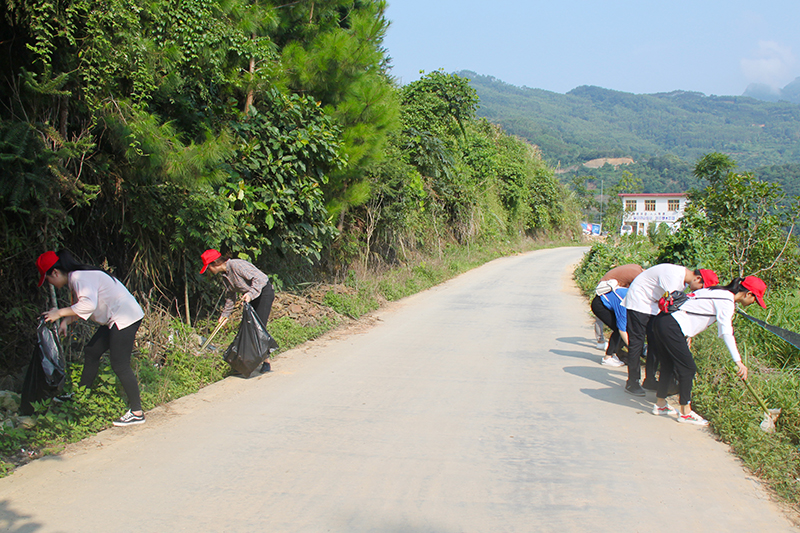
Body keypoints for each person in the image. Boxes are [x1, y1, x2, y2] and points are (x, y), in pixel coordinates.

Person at [36, 250, 146, 427]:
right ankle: (81, 394)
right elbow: (82, 307)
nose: (50, 283)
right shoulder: (77, 277)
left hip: (125, 317)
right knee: (92, 351)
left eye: (48, 278)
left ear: (55, 272)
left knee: (120, 365)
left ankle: (137, 412)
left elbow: (88, 305)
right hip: (116, 317)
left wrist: (59, 313)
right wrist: (66, 321)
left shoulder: (79, 277)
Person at [650, 276, 767, 426]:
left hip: (662, 320)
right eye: (755, 299)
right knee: (688, 369)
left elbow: (690, 307)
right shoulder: (727, 302)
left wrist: (686, 334)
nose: (753, 303)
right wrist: (738, 361)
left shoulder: (716, 291)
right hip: (673, 325)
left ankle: (660, 404)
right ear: (748, 294)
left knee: (668, 364)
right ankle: (685, 412)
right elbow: (726, 332)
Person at [621, 264, 717, 396]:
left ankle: (650, 380)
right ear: (698, 278)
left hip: (653, 304)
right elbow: (673, 305)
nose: (700, 291)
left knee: (655, 343)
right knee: (637, 342)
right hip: (639, 301)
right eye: (702, 287)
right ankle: (632, 382)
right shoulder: (674, 276)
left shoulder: (683, 282)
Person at [200, 249, 275, 372]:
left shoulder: (236, 265)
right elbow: (231, 296)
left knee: (258, 329)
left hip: (264, 293)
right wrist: (225, 315)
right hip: (251, 297)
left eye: (208, 267)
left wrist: (250, 294)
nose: (209, 271)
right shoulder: (225, 275)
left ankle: (265, 362)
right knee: (249, 328)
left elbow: (261, 278)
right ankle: (247, 363)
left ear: (214, 263)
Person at [591, 264, 643, 360]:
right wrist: (636, 349)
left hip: (608, 296)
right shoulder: (624, 301)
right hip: (600, 304)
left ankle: (615, 353)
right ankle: (608, 357)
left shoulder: (634, 287)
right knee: (618, 329)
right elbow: (622, 330)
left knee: (623, 328)